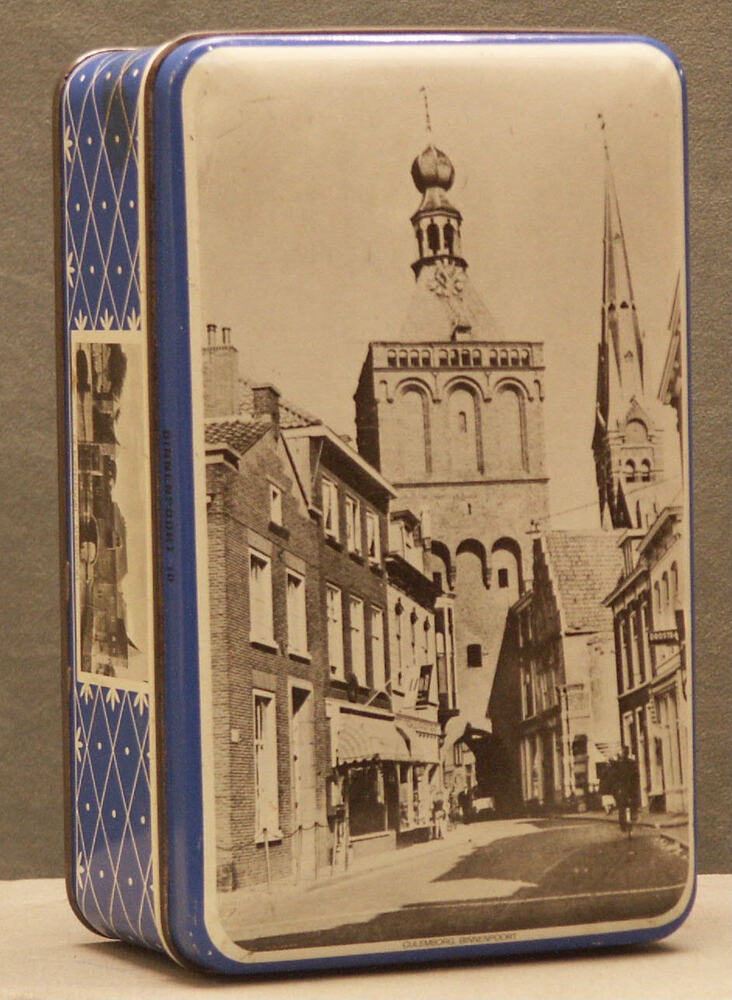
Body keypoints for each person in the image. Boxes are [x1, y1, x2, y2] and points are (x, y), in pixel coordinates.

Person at [611, 746, 641, 835]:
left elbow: (614, 777)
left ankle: (623, 825)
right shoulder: (632, 763)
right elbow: (636, 776)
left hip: (623, 789)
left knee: (622, 807)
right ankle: (632, 818)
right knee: (633, 804)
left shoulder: (618, 764)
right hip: (630, 788)